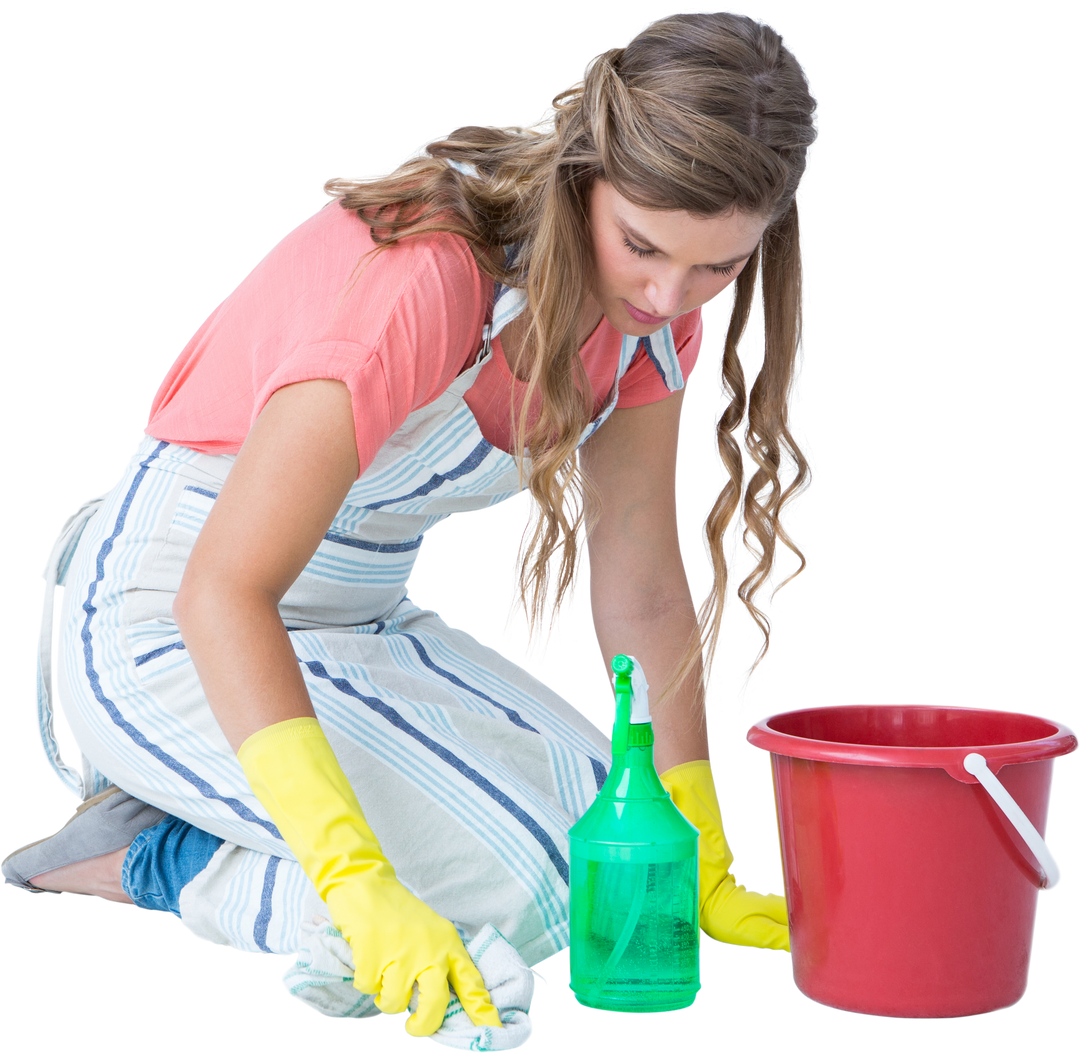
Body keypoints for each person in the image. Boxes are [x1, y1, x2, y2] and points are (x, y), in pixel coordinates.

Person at [4, 6, 822, 1037]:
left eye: (716, 267)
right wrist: (355, 879)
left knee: (618, 856)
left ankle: (201, 801)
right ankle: (160, 857)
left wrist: (699, 844)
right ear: (585, 177)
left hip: (358, 626)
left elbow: (645, 588)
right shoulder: (434, 275)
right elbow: (225, 590)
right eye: (643, 246)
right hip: (168, 622)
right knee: (524, 888)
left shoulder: (654, 325)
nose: (669, 295)